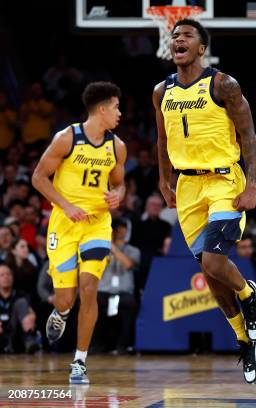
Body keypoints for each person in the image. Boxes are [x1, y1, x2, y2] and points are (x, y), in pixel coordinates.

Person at [152, 19, 256, 384]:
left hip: (224, 182)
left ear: (202, 48)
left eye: (186, 36)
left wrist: (252, 186)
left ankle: (249, 296)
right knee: (210, 271)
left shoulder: (223, 84)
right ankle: (243, 339)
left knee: (216, 261)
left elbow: (248, 135)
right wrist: (164, 181)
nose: (177, 40)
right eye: (174, 37)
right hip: (187, 187)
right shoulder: (161, 91)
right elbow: (162, 140)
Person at [31, 81, 126, 384]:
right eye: (116, 107)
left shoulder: (117, 146)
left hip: (97, 223)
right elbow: (39, 178)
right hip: (64, 222)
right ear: (101, 109)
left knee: (89, 288)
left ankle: (79, 362)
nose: (120, 114)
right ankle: (60, 312)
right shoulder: (66, 138)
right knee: (66, 298)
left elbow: (119, 182)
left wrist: (118, 194)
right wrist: (66, 205)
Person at [94, 218, 139, 354]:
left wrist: (113, 247)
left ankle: (122, 346)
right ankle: (96, 346)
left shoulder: (132, 250)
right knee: (91, 303)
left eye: (122, 228)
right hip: (104, 292)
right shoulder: (101, 249)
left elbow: (128, 264)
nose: (119, 231)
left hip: (123, 292)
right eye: (116, 228)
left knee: (129, 304)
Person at [0, 264, 40, 354]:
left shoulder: (20, 294)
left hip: (16, 332)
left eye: (8, 274)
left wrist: (32, 316)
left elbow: (30, 310)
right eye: (2, 275)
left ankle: (29, 342)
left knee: (21, 303)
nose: (6, 277)